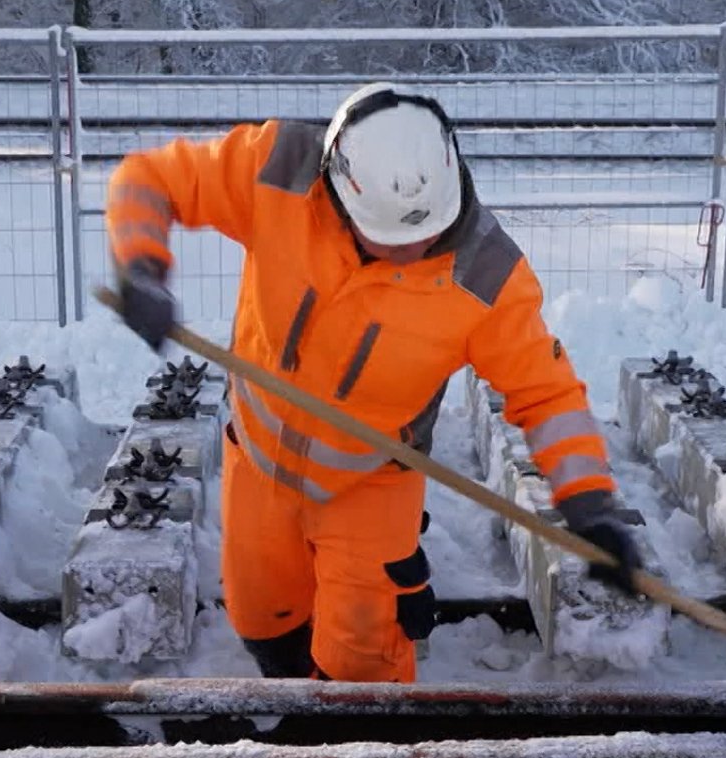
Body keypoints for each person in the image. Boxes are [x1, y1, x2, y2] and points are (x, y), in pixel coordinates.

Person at [104, 82, 643, 682]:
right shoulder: (278, 172)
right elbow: (149, 178)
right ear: (338, 192)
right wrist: (142, 266)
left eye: (425, 235)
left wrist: (591, 503)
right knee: (263, 619)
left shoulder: (486, 278)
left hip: (372, 477)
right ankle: (289, 689)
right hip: (258, 459)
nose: (410, 251)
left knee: (362, 663)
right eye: (387, 238)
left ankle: (353, 748)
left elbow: (548, 395)